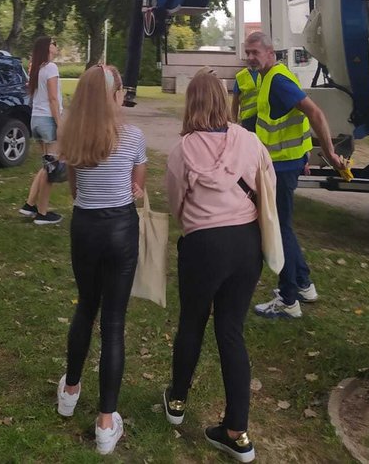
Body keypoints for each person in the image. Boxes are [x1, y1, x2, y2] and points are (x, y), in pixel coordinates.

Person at [164, 68, 275, 464]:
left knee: (192, 322)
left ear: (191, 102)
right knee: (231, 331)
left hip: (203, 245)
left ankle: (177, 400)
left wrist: (196, 224)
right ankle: (237, 432)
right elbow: (267, 187)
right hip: (245, 244)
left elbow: (176, 203)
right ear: (223, 100)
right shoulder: (250, 141)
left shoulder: (183, 150)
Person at [55, 64, 147, 456]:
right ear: (115, 95)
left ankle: (70, 391)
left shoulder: (71, 135)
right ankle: (106, 423)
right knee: (114, 323)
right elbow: (137, 185)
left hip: (86, 228)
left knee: (85, 309)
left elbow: (75, 191)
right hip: (121, 230)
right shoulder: (133, 136)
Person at [243, 31, 343, 320]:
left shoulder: (278, 80)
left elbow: (315, 114)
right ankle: (303, 285)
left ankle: (289, 300)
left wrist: (330, 153)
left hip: (281, 168)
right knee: (283, 227)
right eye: (247, 53)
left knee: (279, 230)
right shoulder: (269, 77)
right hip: (284, 164)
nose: (250, 58)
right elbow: (289, 120)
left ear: (270, 53)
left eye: (255, 52)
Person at [19, 36, 64, 225]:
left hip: (36, 120)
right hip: (47, 120)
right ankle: (43, 214)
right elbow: (53, 98)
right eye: (54, 43)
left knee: (46, 166)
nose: (56, 46)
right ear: (47, 48)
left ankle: (30, 205)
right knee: (50, 168)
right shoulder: (51, 68)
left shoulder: (37, 68)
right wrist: (60, 124)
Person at [231, 62, 262, 132]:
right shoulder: (240, 76)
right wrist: (234, 122)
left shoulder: (265, 73)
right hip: (247, 119)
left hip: (263, 117)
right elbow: (234, 103)